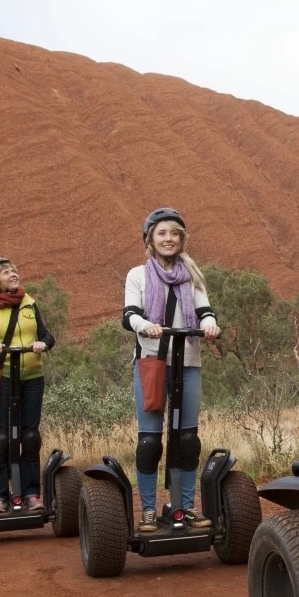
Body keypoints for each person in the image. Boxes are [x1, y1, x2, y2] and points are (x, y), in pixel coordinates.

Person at [121, 208, 220, 532]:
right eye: (162, 233)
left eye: (174, 233)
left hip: (188, 362)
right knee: (150, 441)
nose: (169, 239)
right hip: (152, 363)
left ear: (181, 239)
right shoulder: (137, 275)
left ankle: (184, 506)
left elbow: (205, 311)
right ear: (150, 238)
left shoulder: (192, 276)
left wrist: (210, 325)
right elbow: (130, 315)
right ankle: (149, 510)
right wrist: (146, 325)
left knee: (187, 439)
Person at [0, 257, 54, 514]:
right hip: (5, 375)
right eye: (6, 272)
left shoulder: (30, 302)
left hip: (32, 375)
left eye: (14, 270)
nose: (13, 274)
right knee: (3, 438)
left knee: (30, 436)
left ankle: (31, 494)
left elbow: (47, 334)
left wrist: (44, 343)